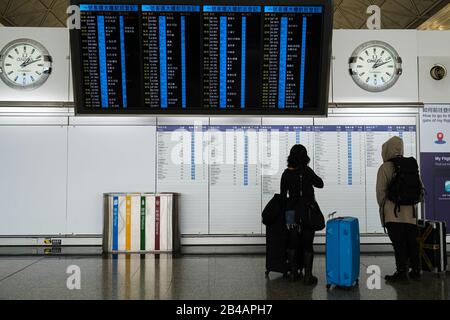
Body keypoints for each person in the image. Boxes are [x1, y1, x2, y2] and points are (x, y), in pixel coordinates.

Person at [376, 136, 422, 283]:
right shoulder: (410, 166)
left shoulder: (385, 167)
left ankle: (401, 272)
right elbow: (420, 190)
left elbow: (380, 192)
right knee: (412, 242)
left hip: (392, 213)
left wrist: (383, 208)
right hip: (411, 214)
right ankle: (416, 271)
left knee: (399, 244)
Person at [280, 144, 324, 284]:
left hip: (291, 212)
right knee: (307, 244)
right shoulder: (307, 171)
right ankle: (308, 276)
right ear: (305, 157)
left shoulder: (286, 173)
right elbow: (320, 184)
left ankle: (293, 273)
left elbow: (282, 195)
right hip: (307, 212)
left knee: (292, 242)